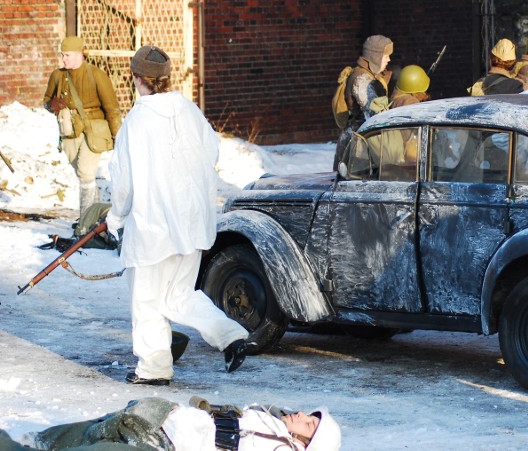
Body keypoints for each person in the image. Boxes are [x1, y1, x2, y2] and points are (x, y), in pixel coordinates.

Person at [105, 45, 249, 386]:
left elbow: (122, 182)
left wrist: (115, 218)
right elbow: (212, 151)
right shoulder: (189, 110)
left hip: (152, 227)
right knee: (178, 297)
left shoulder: (135, 122)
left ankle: (154, 369)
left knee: (148, 303)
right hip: (192, 223)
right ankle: (230, 334)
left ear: (137, 79)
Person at [0, 397, 342, 451]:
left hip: (165, 442)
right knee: (61, 437)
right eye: (309, 414)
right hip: (163, 415)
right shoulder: (275, 419)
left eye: (310, 426)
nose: (302, 417)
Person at [43, 36, 122, 218]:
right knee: (83, 176)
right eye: (62, 55)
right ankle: (95, 218)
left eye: (67, 55)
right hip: (69, 131)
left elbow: (112, 108)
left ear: (80, 54)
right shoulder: (57, 76)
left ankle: (85, 224)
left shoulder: (97, 75)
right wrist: (51, 105)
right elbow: (46, 101)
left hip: (93, 131)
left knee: (85, 173)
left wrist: (117, 135)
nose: (64, 59)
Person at [333, 35, 394, 167]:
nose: (389, 59)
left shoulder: (370, 76)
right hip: (356, 147)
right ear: (375, 56)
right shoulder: (362, 80)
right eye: (385, 56)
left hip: (361, 143)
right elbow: (375, 115)